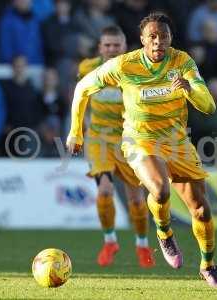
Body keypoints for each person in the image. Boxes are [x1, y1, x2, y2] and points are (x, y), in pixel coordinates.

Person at [67, 12, 217, 287]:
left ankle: (208, 265)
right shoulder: (124, 65)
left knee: (201, 211)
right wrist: (75, 131)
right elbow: (82, 88)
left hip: (177, 143)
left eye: (163, 36)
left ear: (170, 39)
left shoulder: (182, 62)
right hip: (138, 140)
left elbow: (209, 106)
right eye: (152, 37)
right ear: (142, 40)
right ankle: (164, 233)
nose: (157, 42)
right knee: (160, 189)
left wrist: (189, 88)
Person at [77, 25, 155, 268]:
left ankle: (142, 244)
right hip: (99, 140)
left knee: (137, 200)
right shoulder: (87, 68)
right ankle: (110, 241)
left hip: (129, 141)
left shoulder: (136, 70)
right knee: (105, 191)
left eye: (116, 45)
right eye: (107, 45)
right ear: (100, 47)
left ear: (124, 47)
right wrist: (76, 130)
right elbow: (80, 98)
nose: (111, 49)